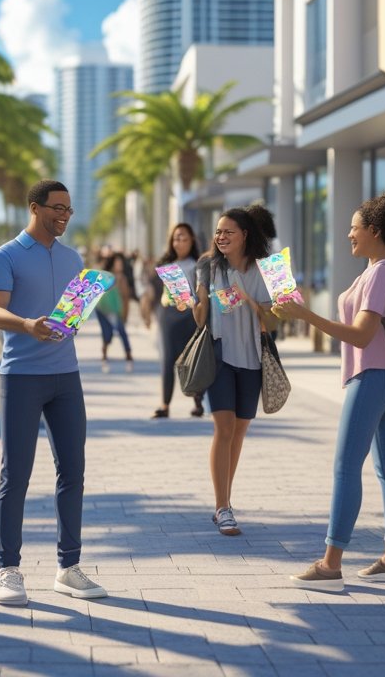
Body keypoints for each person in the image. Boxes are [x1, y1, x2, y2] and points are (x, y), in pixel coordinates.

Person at [273, 192, 385, 591]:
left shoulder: (378, 274)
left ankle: (330, 565)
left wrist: (305, 315)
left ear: (374, 230)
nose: (348, 233)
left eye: (354, 227)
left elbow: (361, 334)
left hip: (373, 377)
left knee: (345, 468)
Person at [0, 179, 107, 606]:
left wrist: (77, 313)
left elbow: (73, 312)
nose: (65, 215)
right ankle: (7, 570)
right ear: (35, 208)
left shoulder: (74, 259)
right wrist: (27, 324)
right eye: (58, 208)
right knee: (14, 475)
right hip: (20, 376)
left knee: (73, 471)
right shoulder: (6, 256)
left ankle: (68, 568)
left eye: (69, 209)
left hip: (66, 377)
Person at [193, 205, 277, 537]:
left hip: (253, 358)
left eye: (228, 231)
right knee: (224, 429)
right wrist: (193, 302)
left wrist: (249, 300)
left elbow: (272, 323)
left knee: (239, 432)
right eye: (218, 231)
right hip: (220, 356)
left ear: (245, 235)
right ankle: (222, 506)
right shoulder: (208, 266)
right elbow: (200, 320)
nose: (221, 237)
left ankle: (226, 499)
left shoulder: (267, 270)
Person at [144, 223, 203, 418]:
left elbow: (202, 293)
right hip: (168, 315)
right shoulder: (164, 265)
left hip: (190, 314)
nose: (180, 242)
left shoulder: (198, 264)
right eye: (177, 238)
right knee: (168, 359)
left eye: (184, 238)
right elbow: (153, 291)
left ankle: (198, 402)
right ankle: (165, 404)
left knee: (193, 359)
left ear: (192, 240)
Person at [96, 251, 134, 373]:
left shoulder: (122, 278)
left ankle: (129, 357)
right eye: (117, 263)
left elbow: (126, 297)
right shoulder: (106, 276)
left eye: (121, 263)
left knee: (122, 332)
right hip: (102, 310)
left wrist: (125, 314)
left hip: (115, 311)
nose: (120, 265)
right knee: (107, 334)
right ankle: (104, 358)